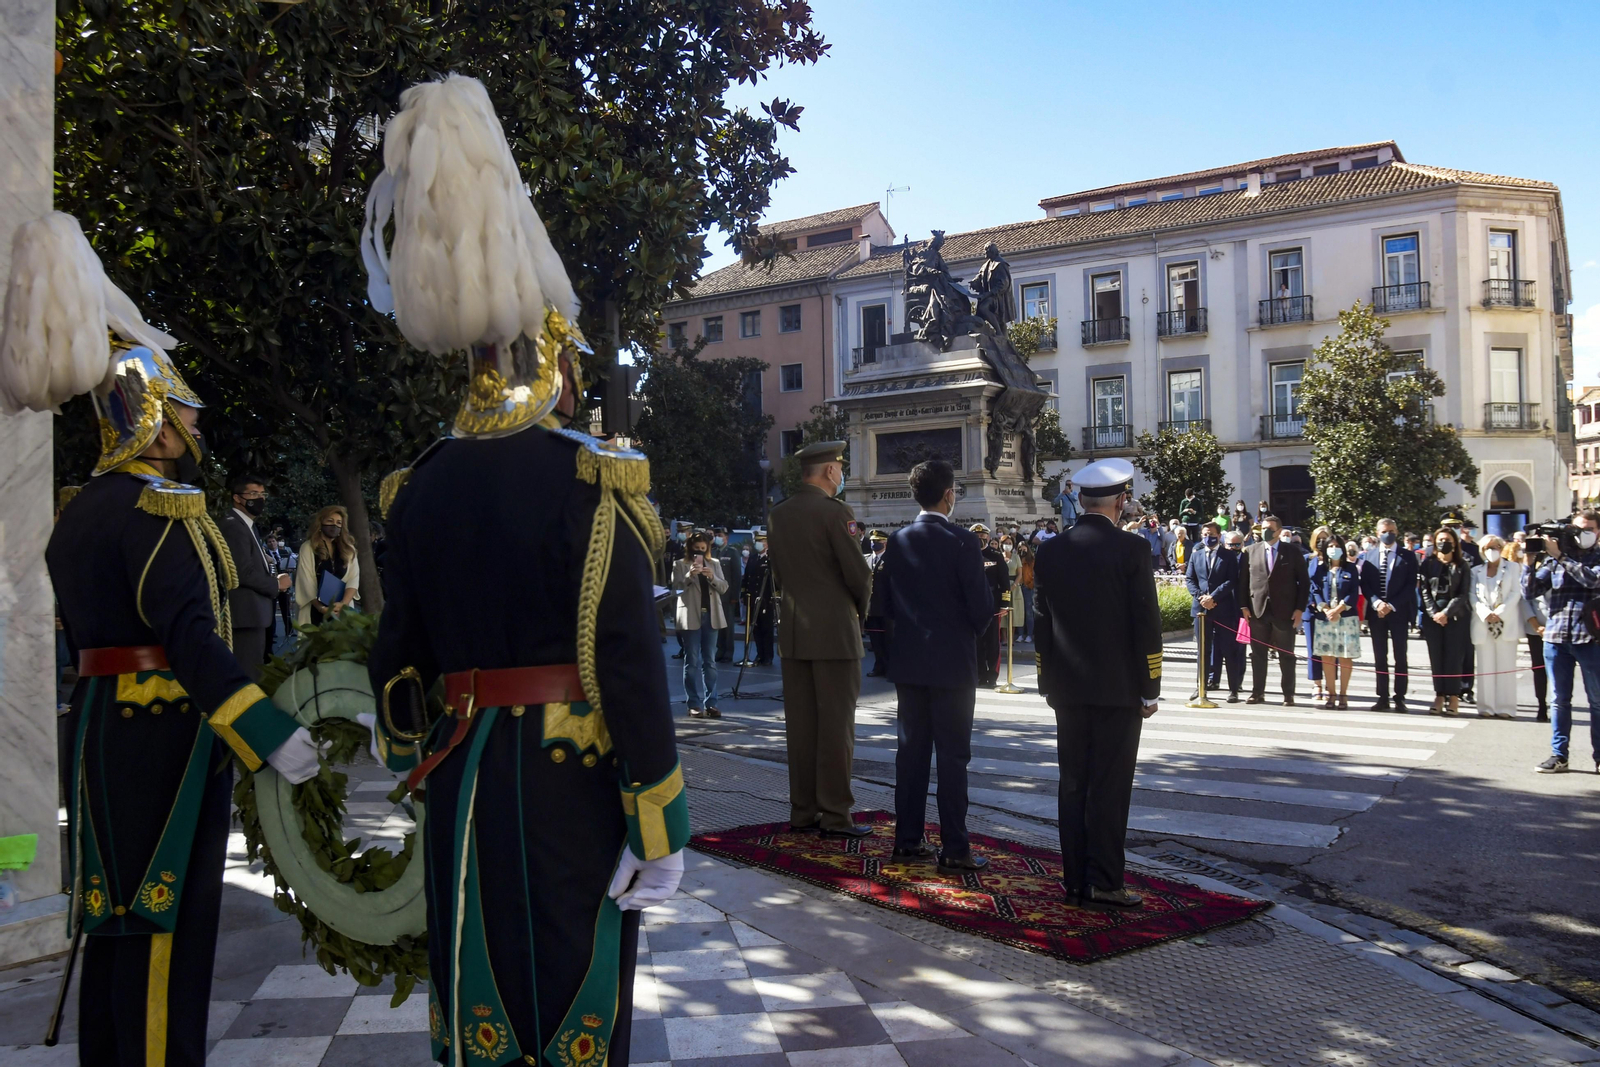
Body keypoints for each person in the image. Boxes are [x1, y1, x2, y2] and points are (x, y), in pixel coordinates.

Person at [362, 76, 684, 1066]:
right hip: (572, 783)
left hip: (463, 777)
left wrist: (426, 748)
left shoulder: (416, 487)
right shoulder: (593, 475)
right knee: (574, 998)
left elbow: (397, 666)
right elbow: (625, 655)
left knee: (483, 996)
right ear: (558, 362)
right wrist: (658, 815)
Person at [13, 212, 320, 1063]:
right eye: (183, 412)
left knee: (110, 919)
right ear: (152, 413)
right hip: (165, 735)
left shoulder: (77, 514)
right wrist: (266, 731)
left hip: (102, 728)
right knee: (163, 933)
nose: (195, 427)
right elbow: (189, 634)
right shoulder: (163, 506)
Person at [1034, 458, 1162, 911]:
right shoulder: (1133, 550)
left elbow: (1041, 623)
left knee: (1073, 784)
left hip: (1067, 688)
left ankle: (1074, 881)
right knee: (1109, 786)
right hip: (1118, 690)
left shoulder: (1050, 550)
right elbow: (1146, 624)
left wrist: (1046, 680)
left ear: (1081, 500)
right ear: (1121, 501)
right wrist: (1151, 687)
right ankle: (1105, 880)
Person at [880, 460, 994, 873]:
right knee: (952, 758)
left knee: (910, 755)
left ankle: (908, 840)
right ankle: (955, 847)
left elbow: (886, 605)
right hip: (952, 666)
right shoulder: (963, 542)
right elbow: (982, 608)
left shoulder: (898, 540)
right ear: (949, 495)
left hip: (909, 662)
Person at [767, 440, 874, 835]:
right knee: (835, 727)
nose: (841, 474)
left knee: (801, 728)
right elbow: (857, 574)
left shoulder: (779, 514)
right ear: (831, 471)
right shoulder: (835, 513)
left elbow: (779, 573)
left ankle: (803, 810)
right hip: (834, 633)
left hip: (795, 631)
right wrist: (859, 609)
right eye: (840, 468)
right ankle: (835, 814)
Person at [1522, 511, 1600, 772]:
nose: (1582, 533)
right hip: (1556, 638)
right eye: (1577, 529)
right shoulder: (1553, 559)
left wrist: (1560, 556)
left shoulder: (1595, 557)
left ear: (1598, 532)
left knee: (1597, 700)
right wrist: (1529, 561)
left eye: (1588, 528)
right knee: (1559, 700)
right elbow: (1530, 591)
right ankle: (1559, 755)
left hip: (1590, 638)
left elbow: (1592, 580)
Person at [220, 474, 291, 678]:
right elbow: (243, 572)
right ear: (237, 497)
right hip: (244, 615)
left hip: (253, 615)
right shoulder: (233, 525)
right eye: (253, 493)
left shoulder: (247, 526)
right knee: (247, 675)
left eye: (262, 494)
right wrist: (276, 585)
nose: (259, 499)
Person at [1238, 514, 1310, 706]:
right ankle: (1257, 693)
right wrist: (1244, 606)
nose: (1266, 531)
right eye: (1263, 528)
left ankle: (1288, 694)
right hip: (1257, 611)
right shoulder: (1250, 551)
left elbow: (1304, 582)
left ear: (1279, 531)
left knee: (1286, 654)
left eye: (1270, 528)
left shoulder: (1292, 552)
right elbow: (1243, 582)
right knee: (1258, 654)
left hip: (1284, 611)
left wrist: (1299, 609)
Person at [1359, 518, 1418, 712]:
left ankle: (1400, 697)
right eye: (1385, 531)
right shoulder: (1369, 556)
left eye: (1392, 531)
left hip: (1398, 612)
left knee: (1400, 655)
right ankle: (1382, 697)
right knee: (1380, 656)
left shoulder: (1407, 556)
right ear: (1378, 533)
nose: (1388, 534)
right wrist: (1377, 603)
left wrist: (1391, 605)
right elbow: (1365, 584)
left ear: (1397, 532)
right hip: (1377, 613)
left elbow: (1410, 586)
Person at [1185, 521, 1243, 701]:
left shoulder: (1228, 556)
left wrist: (1214, 597)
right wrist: (1202, 597)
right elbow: (1190, 578)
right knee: (1203, 650)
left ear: (1219, 536)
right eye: (1204, 534)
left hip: (1223, 609)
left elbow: (1231, 580)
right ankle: (1201, 687)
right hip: (1201, 610)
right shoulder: (1196, 555)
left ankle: (1233, 689)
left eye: (1210, 534)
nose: (1207, 537)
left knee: (1228, 649)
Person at [673, 531, 728, 718]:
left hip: (711, 617)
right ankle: (693, 704)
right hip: (691, 617)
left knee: (710, 662)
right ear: (690, 549)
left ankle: (711, 703)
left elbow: (724, 587)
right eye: (697, 549)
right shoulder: (679, 564)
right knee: (692, 662)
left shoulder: (715, 564)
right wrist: (689, 576)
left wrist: (712, 577)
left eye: (704, 550)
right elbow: (676, 589)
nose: (700, 553)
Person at [1418, 526, 1472, 716]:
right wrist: (1434, 613)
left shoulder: (1462, 565)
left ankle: (1454, 697)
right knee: (1437, 657)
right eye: (1441, 540)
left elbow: (1463, 594)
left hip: (1456, 616)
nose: (1444, 544)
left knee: (1454, 657)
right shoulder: (1428, 564)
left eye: (1448, 540)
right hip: (1433, 617)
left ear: (1454, 543)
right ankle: (1439, 695)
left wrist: (1446, 613)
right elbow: (1424, 591)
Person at [1470, 535, 1522, 719]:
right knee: (1485, 666)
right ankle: (1486, 706)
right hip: (1483, 623)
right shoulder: (1476, 571)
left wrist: (1499, 613)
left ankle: (1506, 707)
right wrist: (1485, 614)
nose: (1491, 550)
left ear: (1501, 548)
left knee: (1505, 666)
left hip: (1505, 622)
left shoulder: (1513, 567)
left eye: (1495, 547)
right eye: (1487, 548)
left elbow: (1516, 592)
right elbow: (1472, 596)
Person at [1309, 529, 1360, 709]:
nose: (1333, 549)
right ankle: (1331, 693)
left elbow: (1354, 592)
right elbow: (1314, 590)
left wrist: (1338, 609)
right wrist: (1325, 608)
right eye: (1330, 546)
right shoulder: (1321, 570)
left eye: (1337, 546)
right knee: (1327, 658)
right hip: (1325, 618)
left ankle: (1343, 694)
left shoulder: (1350, 568)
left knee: (1345, 657)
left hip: (1345, 617)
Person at [294, 506, 359, 626]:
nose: (334, 525)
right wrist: (321, 608)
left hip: (342, 610)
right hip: (315, 609)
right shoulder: (308, 548)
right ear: (321, 522)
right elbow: (306, 581)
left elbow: (353, 579)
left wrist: (343, 604)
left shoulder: (349, 549)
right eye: (330, 521)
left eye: (339, 522)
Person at [970, 523, 1008, 686]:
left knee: (992, 642)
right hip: (972, 604)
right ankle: (979, 674)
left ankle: (992, 675)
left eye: (983, 536)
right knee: (976, 642)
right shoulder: (966, 554)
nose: (980, 539)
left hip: (992, 602)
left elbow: (1004, 581)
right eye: (976, 536)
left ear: (987, 536)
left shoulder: (995, 555)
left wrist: (1005, 604)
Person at [1303, 527, 1331, 704]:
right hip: (1311, 609)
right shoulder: (1308, 559)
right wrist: (1310, 601)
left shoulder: (1335, 560)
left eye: (1325, 538)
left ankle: (1330, 685)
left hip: (1330, 610)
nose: (1322, 542)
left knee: (1329, 650)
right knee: (1313, 649)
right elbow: (1302, 582)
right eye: (1318, 538)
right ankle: (1317, 684)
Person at [742, 532, 776, 666]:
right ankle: (759, 654)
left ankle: (768, 656)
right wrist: (744, 593)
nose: (758, 543)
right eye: (756, 541)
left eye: (761, 541)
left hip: (766, 599)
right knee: (755, 629)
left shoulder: (771, 558)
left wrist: (773, 596)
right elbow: (747, 577)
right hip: (753, 598)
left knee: (766, 629)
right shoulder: (753, 557)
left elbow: (774, 580)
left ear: (767, 543)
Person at [712, 526, 743, 664]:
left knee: (727, 626)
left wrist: (735, 596)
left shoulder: (732, 552)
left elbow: (736, 576)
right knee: (717, 625)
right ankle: (719, 650)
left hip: (727, 595)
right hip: (714, 595)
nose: (718, 537)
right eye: (716, 534)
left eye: (720, 535)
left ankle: (728, 652)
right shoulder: (713, 552)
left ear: (726, 537)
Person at [864, 530, 891, 676]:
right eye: (873, 541)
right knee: (875, 641)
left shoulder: (891, 559)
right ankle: (879, 666)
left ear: (885, 542)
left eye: (878, 541)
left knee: (889, 640)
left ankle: (891, 667)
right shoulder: (867, 559)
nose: (874, 543)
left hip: (886, 607)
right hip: (871, 608)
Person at [264, 532, 297, 641]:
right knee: (271, 610)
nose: (272, 543)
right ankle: (272, 634)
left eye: (273, 541)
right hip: (273, 584)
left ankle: (289, 630)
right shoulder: (265, 554)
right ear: (267, 544)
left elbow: (291, 565)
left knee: (285, 608)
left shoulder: (284, 552)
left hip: (284, 584)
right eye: (269, 542)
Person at [1016, 541, 1036, 643]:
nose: (1022, 551)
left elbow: (1035, 574)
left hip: (1028, 588)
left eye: (1024, 549)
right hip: (1018, 588)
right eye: (1020, 549)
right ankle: (1020, 634)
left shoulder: (1031, 560)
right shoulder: (1016, 559)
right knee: (1020, 611)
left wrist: (1030, 585)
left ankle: (1029, 634)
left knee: (1029, 612)